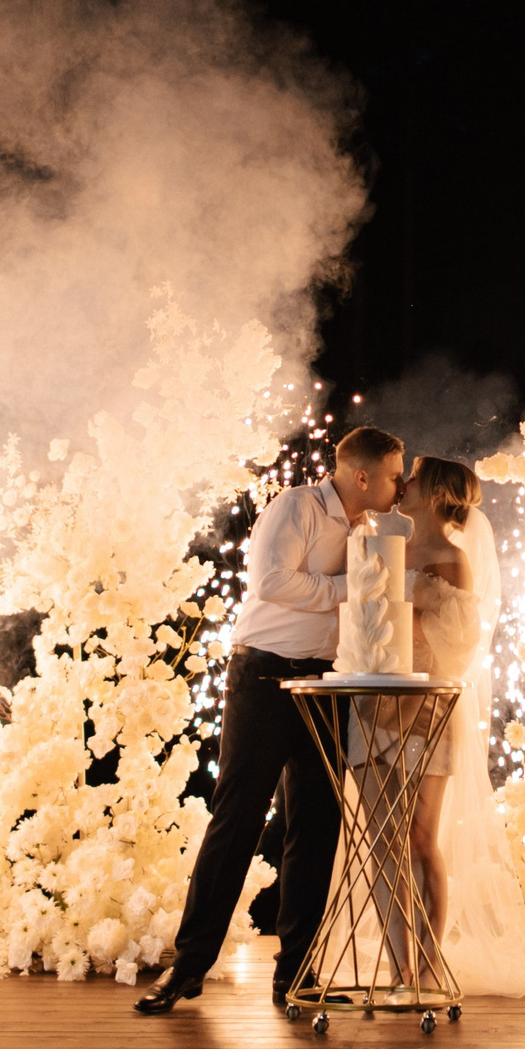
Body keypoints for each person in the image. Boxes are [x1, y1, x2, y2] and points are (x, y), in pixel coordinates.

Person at [134, 425, 405, 1015]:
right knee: (237, 817)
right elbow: (270, 583)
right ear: (362, 475)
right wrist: (351, 587)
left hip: (325, 682)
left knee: (316, 825)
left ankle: (298, 974)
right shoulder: (296, 506)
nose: (399, 484)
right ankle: (189, 966)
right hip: (263, 676)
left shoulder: (369, 530)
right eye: (392, 474)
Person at [392, 456, 525, 998]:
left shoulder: (453, 558)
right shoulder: (387, 544)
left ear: (434, 494)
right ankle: (395, 964)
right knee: (384, 836)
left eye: (412, 476)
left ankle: (429, 956)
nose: (402, 484)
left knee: (420, 833)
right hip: (380, 701)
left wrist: (408, 615)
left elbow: (460, 647)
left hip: (430, 704)